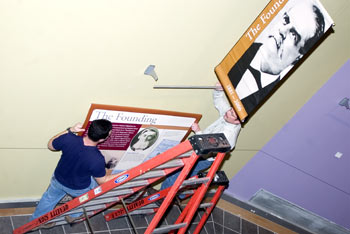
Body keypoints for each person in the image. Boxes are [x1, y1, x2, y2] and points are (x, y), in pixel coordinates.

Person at [229, 0, 325, 115]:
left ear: (298, 58)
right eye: (286, 20)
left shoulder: (275, 101)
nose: (282, 31)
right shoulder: (236, 51)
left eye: (293, 34)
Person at [31, 119, 116, 226]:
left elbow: (50, 145)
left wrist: (70, 130)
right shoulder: (97, 158)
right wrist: (126, 173)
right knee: (91, 196)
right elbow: (102, 181)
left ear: (89, 129)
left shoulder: (69, 138)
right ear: (102, 139)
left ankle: (38, 221)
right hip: (77, 188)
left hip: (58, 179)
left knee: (48, 198)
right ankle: (73, 216)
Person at [161, 83, 241, 192]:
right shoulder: (229, 115)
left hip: (204, 158)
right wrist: (218, 90)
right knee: (184, 175)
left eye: (231, 114)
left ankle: (161, 198)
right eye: (230, 110)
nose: (228, 112)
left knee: (175, 176)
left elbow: (206, 147)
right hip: (201, 153)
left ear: (237, 121)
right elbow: (219, 101)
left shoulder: (229, 136)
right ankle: (181, 195)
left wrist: (198, 131)